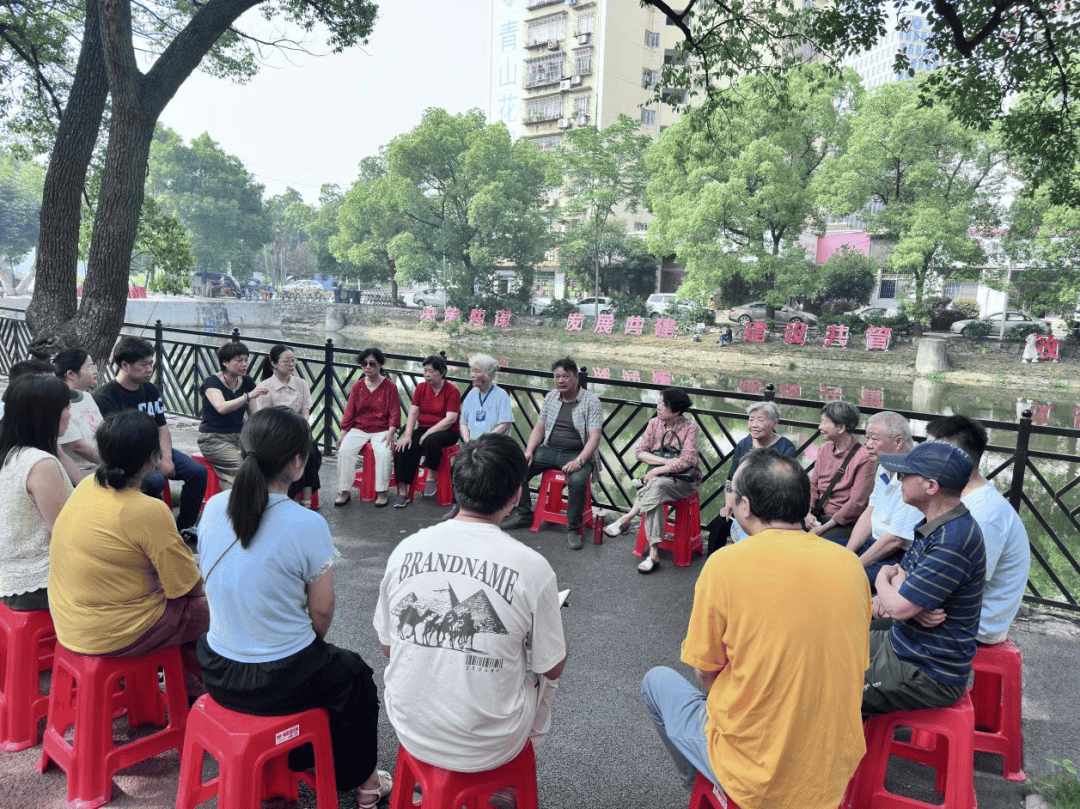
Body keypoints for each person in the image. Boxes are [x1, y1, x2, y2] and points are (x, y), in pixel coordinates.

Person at [641, 449, 870, 808]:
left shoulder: (726, 565)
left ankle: (703, 784)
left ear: (744, 506)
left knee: (655, 681)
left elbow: (706, 672)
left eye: (731, 489)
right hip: (833, 766)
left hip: (756, 773)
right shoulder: (850, 565)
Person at [196, 407, 392, 805]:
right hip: (277, 681)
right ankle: (366, 784)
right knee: (354, 677)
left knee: (327, 674)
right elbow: (321, 614)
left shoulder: (215, 506)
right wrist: (305, 646)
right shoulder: (306, 524)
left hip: (216, 670)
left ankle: (296, 753)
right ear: (298, 461)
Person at [374, 432, 566, 781]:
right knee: (544, 670)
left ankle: (423, 787)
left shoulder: (407, 549)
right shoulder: (532, 567)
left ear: (458, 487)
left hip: (408, 727)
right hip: (490, 746)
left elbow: (388, 645)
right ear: (516, 496)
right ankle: (507, 785)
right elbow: (551, 668)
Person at [48, 410, 209, 698]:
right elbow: (187, 586)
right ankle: (210, 692)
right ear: (152, 458)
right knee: (210, 608)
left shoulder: (86, 486)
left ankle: (186, 685)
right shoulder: (148, 511)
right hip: (113, 633)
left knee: (184, 608)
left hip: (68, 621)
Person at [864, 440, 986, 717]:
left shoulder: (953, 539)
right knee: (825, 650)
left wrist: (885, 580)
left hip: (926, 670)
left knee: (827, 685)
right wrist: (909, 604)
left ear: (931, 487)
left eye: (907, 475)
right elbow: (903, 580)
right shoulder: (931, 524)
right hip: (904, 642)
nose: (900, 479)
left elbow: (896, 604)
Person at [926, 415, 1031, 644]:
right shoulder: (960, 497)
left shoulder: (984, 514)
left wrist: (911, 604)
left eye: (928, 452)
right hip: (953, 611)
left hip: (974, 625)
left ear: (951, 459)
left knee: (866, 628)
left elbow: (963, 584)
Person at [95, 336, 207, 542]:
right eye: (144, 364)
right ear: (124, 365)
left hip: (155, 451)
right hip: (128, 459)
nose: (149, 369)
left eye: (151, 364)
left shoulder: (150, 390)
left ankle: (184, 527)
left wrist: (165, 457)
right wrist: (150, 464)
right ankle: (145, 531)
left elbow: (162, 427)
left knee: (198, 472)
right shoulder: (106, 397)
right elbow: (112, 444)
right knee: (154, 481)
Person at [501, 357, 602, 550]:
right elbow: (539, 428)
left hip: (577, 452)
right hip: (549, 450)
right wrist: (529, 451)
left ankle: (573, 529)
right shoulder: (551, 397)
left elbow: (594, 438)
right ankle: (523, 514)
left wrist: (580, 460)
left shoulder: (591, 401)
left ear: (576, 377)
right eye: (557, 377)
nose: (561, 381)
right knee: (518, 467)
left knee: (578, 480)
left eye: (565, 376)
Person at [602, 388, 700, 574]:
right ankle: (653, 553)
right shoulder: (654, 423)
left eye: (663, 404)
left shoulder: (690, 428)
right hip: (658, 481)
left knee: (656, 484)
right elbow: (640, 452)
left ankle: (627, 517)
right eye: (659, 402)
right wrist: (663, 463)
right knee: (656, 489)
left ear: (676, 410)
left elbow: (687, 460)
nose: (658, 406)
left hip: (683, 482)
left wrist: (657, 471)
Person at [0, 374, 74, 611]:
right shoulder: (40, 464)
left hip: (10, 578)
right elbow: (63, 531)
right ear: (48, 414)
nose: (70, 414)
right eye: (66, 407)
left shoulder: (11, 453)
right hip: (36, 585)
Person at [844, 411, 924, 587]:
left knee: (840, 579)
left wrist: (852, 565)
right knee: (816, 555)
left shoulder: (916, 475)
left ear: (898, 441)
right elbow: (870, 510)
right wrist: (847, 554)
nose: (868, 445)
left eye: (874, 439)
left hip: (895, 556)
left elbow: (896, 539)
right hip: (872, 542)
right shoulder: (885, 464)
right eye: (867, 438)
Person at [442, 354, 516, 520]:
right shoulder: (471, 395)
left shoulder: (501, 395)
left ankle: (489, 508)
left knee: (487, 468)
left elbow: (505, 423)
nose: (472, 375)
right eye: (471, 371)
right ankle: (459, 505)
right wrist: (467, 440)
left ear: (488, 376)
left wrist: (485, 441)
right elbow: (463, 422)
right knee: (458, 467)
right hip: (473, 445)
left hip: (494, 445)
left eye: (476, 371)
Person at [714, 401, 797, 547]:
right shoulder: (744, 444)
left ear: (774, 423)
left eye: (760, 420)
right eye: (751, 419)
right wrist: (729, 505)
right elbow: (730, 480)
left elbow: (786, 485)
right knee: (718, 525)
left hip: (771, 508)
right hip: (742, 504)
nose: (753, 425)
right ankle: (713, 567)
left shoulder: (785, 447)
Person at [256, 344, 321, 508]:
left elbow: (305, 412)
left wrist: (302, 426)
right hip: (276, 433)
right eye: (286, 361)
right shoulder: (265, 386)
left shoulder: (301, 384)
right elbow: (265, 417)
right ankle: (288, 497)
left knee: (311, 453)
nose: (291, 364)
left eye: (293, 360)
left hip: (299, 430)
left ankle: (307, 499)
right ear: (274, 363)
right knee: (287, 457)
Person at [196, 341, 268, 488]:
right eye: (239, 360)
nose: (244, 364)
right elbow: (221, 407)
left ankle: (239, 499)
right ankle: (238, 502)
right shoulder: (212, 382)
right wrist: (248, 396)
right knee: (245, 467)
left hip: (239, 437)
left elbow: (254, 415)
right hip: (214, 439)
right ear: (225, 362)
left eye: (246, 360)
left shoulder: (247, 381)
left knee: (266, 462)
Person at [334, 347, 400, 508]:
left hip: (383, 428)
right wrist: (342, 435)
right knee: (344, 451)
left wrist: (391, 433)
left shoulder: (390, 386)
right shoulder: (357, 387)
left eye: (372, 363)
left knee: (384, 453)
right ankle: (344, 491)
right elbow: (349, 413)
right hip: (359, 428)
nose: (368, 367)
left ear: (379, 365)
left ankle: (382, 491)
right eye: (364, 364)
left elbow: (395, 413)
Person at [392, 354, 460, 508]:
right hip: (423, 428)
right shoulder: (421, 388)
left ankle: (431, 474)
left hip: (447, 431)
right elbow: (413, 413)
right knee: (404, 447)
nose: (427, 374)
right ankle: (403, 493)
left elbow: (450, 419)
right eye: (425, 371)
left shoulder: (452, 390)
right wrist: (408, 435)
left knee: (431, 440)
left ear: (442, 372)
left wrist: (428, 434)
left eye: (431, 371)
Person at [807, 400, 875, 542]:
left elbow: (856, 503)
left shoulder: (864, 457)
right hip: (817, 515)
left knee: (813, 544)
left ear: (841, 428)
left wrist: (822, 528)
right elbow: (812, 485)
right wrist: (807, 513)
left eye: (825, 423)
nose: (820, 427)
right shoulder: (824, 449)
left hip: (842, 522)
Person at [54, 348, 105, 482]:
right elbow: (76, 446)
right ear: (70, 374)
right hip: (80, 470)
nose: (95, 370)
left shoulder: (87, 397)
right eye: (89, 367)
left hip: (101, 463)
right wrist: (111, 463)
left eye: (94, 366)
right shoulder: (59, 401)